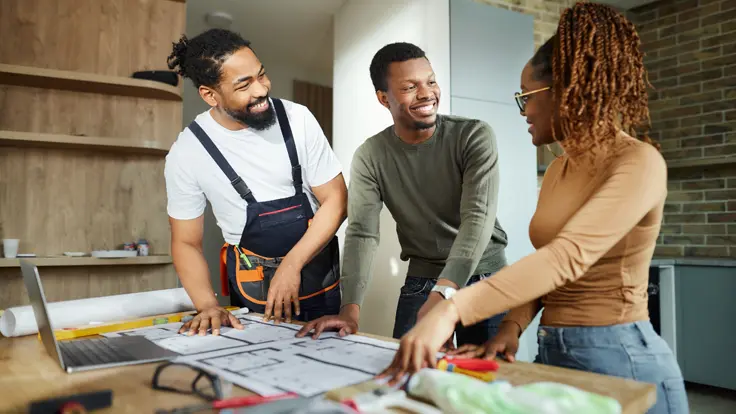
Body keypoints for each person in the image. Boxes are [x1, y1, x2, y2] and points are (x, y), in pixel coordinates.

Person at [379, 4, 689, 413]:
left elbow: (566, 258)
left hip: (621, 357)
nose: (523, 109)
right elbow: (545, 263)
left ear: (568, 91)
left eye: (527, 96)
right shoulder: (560, 168)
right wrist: (512, 325)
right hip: (553, 352)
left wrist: (450, 311)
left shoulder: (638, 162)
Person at [298, 42, 509, 347]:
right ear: (384, 98)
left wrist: (445, 293)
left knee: (482, 381)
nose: (427, 93)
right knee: (407, 372)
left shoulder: (473, 135)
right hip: (423, 276)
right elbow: (361, 233)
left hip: (484, 275)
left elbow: (477, 218)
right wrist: (349, 311)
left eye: (431, 81)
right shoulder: (371, 155)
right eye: (410, 87)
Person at [164, 29, 347, 335]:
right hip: (253, 286)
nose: (262, 90)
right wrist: (207, 305)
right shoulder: (188, 152)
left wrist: (292, 265)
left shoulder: (297, 118)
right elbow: (185, 242)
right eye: (244, 85)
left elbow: (336, 200)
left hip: (317, 276)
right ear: (210, 95)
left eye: (261, 75)